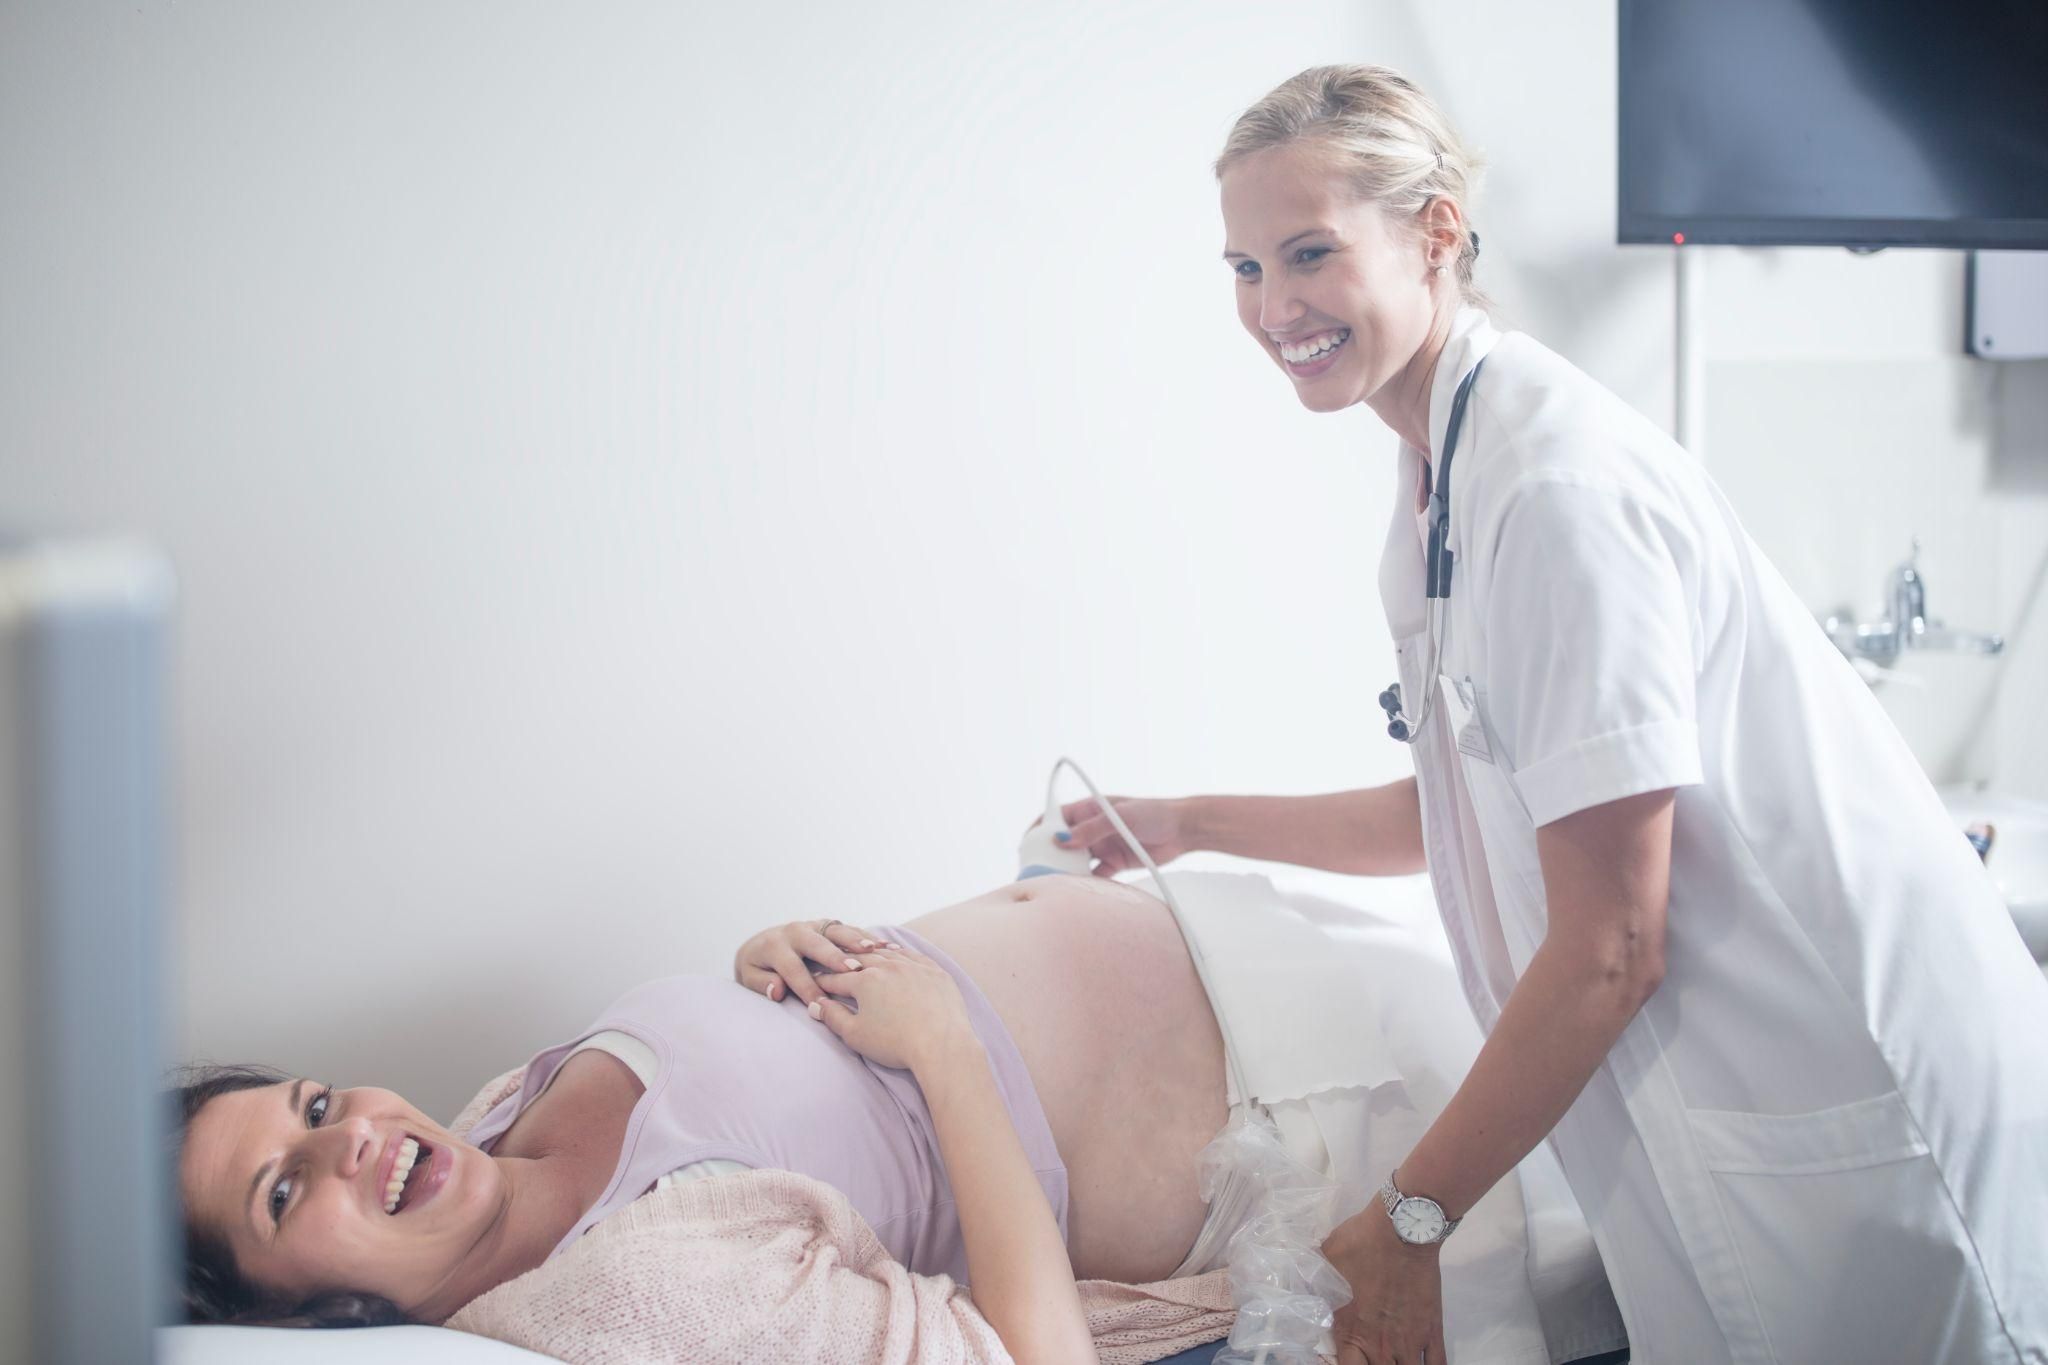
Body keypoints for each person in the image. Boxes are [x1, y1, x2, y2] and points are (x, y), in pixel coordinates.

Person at [1052, 63, 2048, 1365]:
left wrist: (1410, 1217)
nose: (1275, 306)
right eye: (1245, 268)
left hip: (1865, 1135)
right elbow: (1479, 810)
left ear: (1436, 232)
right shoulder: (1443, 486)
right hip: (1741, 1138)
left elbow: (1609, 943)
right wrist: (1185, 819)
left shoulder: (1555, 490)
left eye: (1309, 253)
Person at [171, 868, 1626, 1364]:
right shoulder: (630, 1299)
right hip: (1305, 1115)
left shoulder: (496, 1119)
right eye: (288, 1194)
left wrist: (771, 962)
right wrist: (942, 1050)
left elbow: (767, 1106)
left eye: (306, 1106)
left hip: (1252, 959)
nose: (344, 1136)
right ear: (307, 1317)